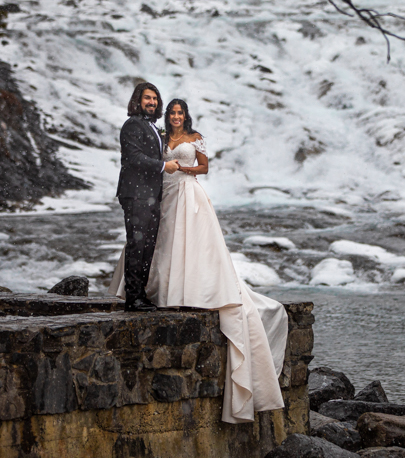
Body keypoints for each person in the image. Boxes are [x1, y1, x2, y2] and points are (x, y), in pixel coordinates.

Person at [110, 98, 288, 424]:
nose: (176, 116)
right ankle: (153, 290)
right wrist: (166, 170)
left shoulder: (195, 138)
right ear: (168, 116)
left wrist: (184, 170)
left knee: (192, 245)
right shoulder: (160, 137)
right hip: (163, 193)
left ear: (185, 116)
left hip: (188, 192)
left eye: (180, 112)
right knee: (155, 242)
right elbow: (148, 161)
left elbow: (205, 167)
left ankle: (190, 289)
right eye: (172, 112)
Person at [115, 82, 179, 312]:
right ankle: (133, 298)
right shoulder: (132, 125)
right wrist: (164, 166)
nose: (152, 102)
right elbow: (134, 158)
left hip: (150, 195)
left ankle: (140, 294)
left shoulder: (152, 127)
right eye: (147, 98)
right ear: (137, 101)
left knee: (148, 246)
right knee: (138, 244)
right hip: (136, 194)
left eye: (155, 99)